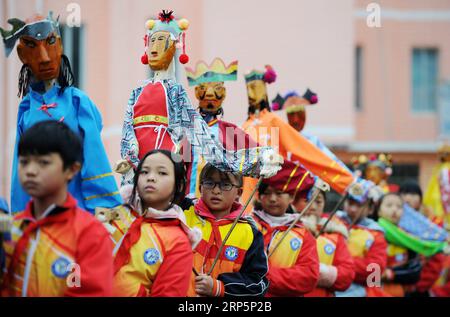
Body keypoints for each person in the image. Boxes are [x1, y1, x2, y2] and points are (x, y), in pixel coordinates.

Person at [118, 10, 280, 188]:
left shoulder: (175, 91)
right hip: (137, 169)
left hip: (165, 165)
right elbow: (127, 130)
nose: (155, 48)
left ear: (173, 48)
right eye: (152, 42)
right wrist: (130, 158)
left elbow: (201, 135)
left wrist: (259, 158)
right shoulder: (137, 91)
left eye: (162, 41)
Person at [0, 12, 122, 214]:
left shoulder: (77, 101)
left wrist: (104, 205)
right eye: (32, 46)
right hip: (40, 211)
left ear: (60, 46)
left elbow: (94, 152)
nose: (45, 58)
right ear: (23, 55)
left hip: (78, 209)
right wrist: (22, 216)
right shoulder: (26, 109)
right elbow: (19, 166)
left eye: (50, 43)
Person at [1, 121, 113, 296]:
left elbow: (89, 292)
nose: (30, 171)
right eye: (24, 162)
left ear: (71, 169)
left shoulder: (89, 233)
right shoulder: (11, 227)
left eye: (43, 162)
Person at [111, 150, 200, 297]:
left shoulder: (178, 242)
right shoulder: (115, 212)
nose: (151, 177)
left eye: (162, 173)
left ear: (178, 186)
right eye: (144, 171)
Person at [184, 163, 269, 297]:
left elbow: (258, 284)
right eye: (209, 183)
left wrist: (219, 287)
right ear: (200, 187)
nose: (216, 190)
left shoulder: (250, 233)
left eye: (225, 184)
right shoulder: (182, 215)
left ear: (239, 193)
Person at [184, 58, 260, 198]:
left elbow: (260, 156)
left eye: (217, 89)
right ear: (196, 93)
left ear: (223, 94)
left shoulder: (230, 131)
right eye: (203, 89)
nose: (210, 94)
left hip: (219, 201)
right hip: (188, 203)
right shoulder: (187, 131)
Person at [251, 161, 320, 296]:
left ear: (292, 197)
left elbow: (308, 277)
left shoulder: (303, 234)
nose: (272, 199)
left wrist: (262, 275)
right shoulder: (248, 224)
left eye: (279, 193)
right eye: (267, 193)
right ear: (259, 196)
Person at [335, 181, 388, 297]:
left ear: (370, 209)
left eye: (359, 205)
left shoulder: (375, 234)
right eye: (350, 203)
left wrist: (340, 263)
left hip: (358, 289)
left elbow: (375, 269)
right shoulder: (333, 222)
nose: (353, 209)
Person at [300, 190, 355, 297]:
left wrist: (313, 272)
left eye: (319, 201)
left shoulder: (335, 233)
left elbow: (347, 275)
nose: (313, 207)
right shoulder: (285, 229)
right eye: (307, 200)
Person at [372, 193, 422, 296]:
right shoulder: (371, 233)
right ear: (379, 211)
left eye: (399, 206)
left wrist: (391, 274)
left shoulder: (408, 238)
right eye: (389, 205)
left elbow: (415, 271)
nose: (394, 210)